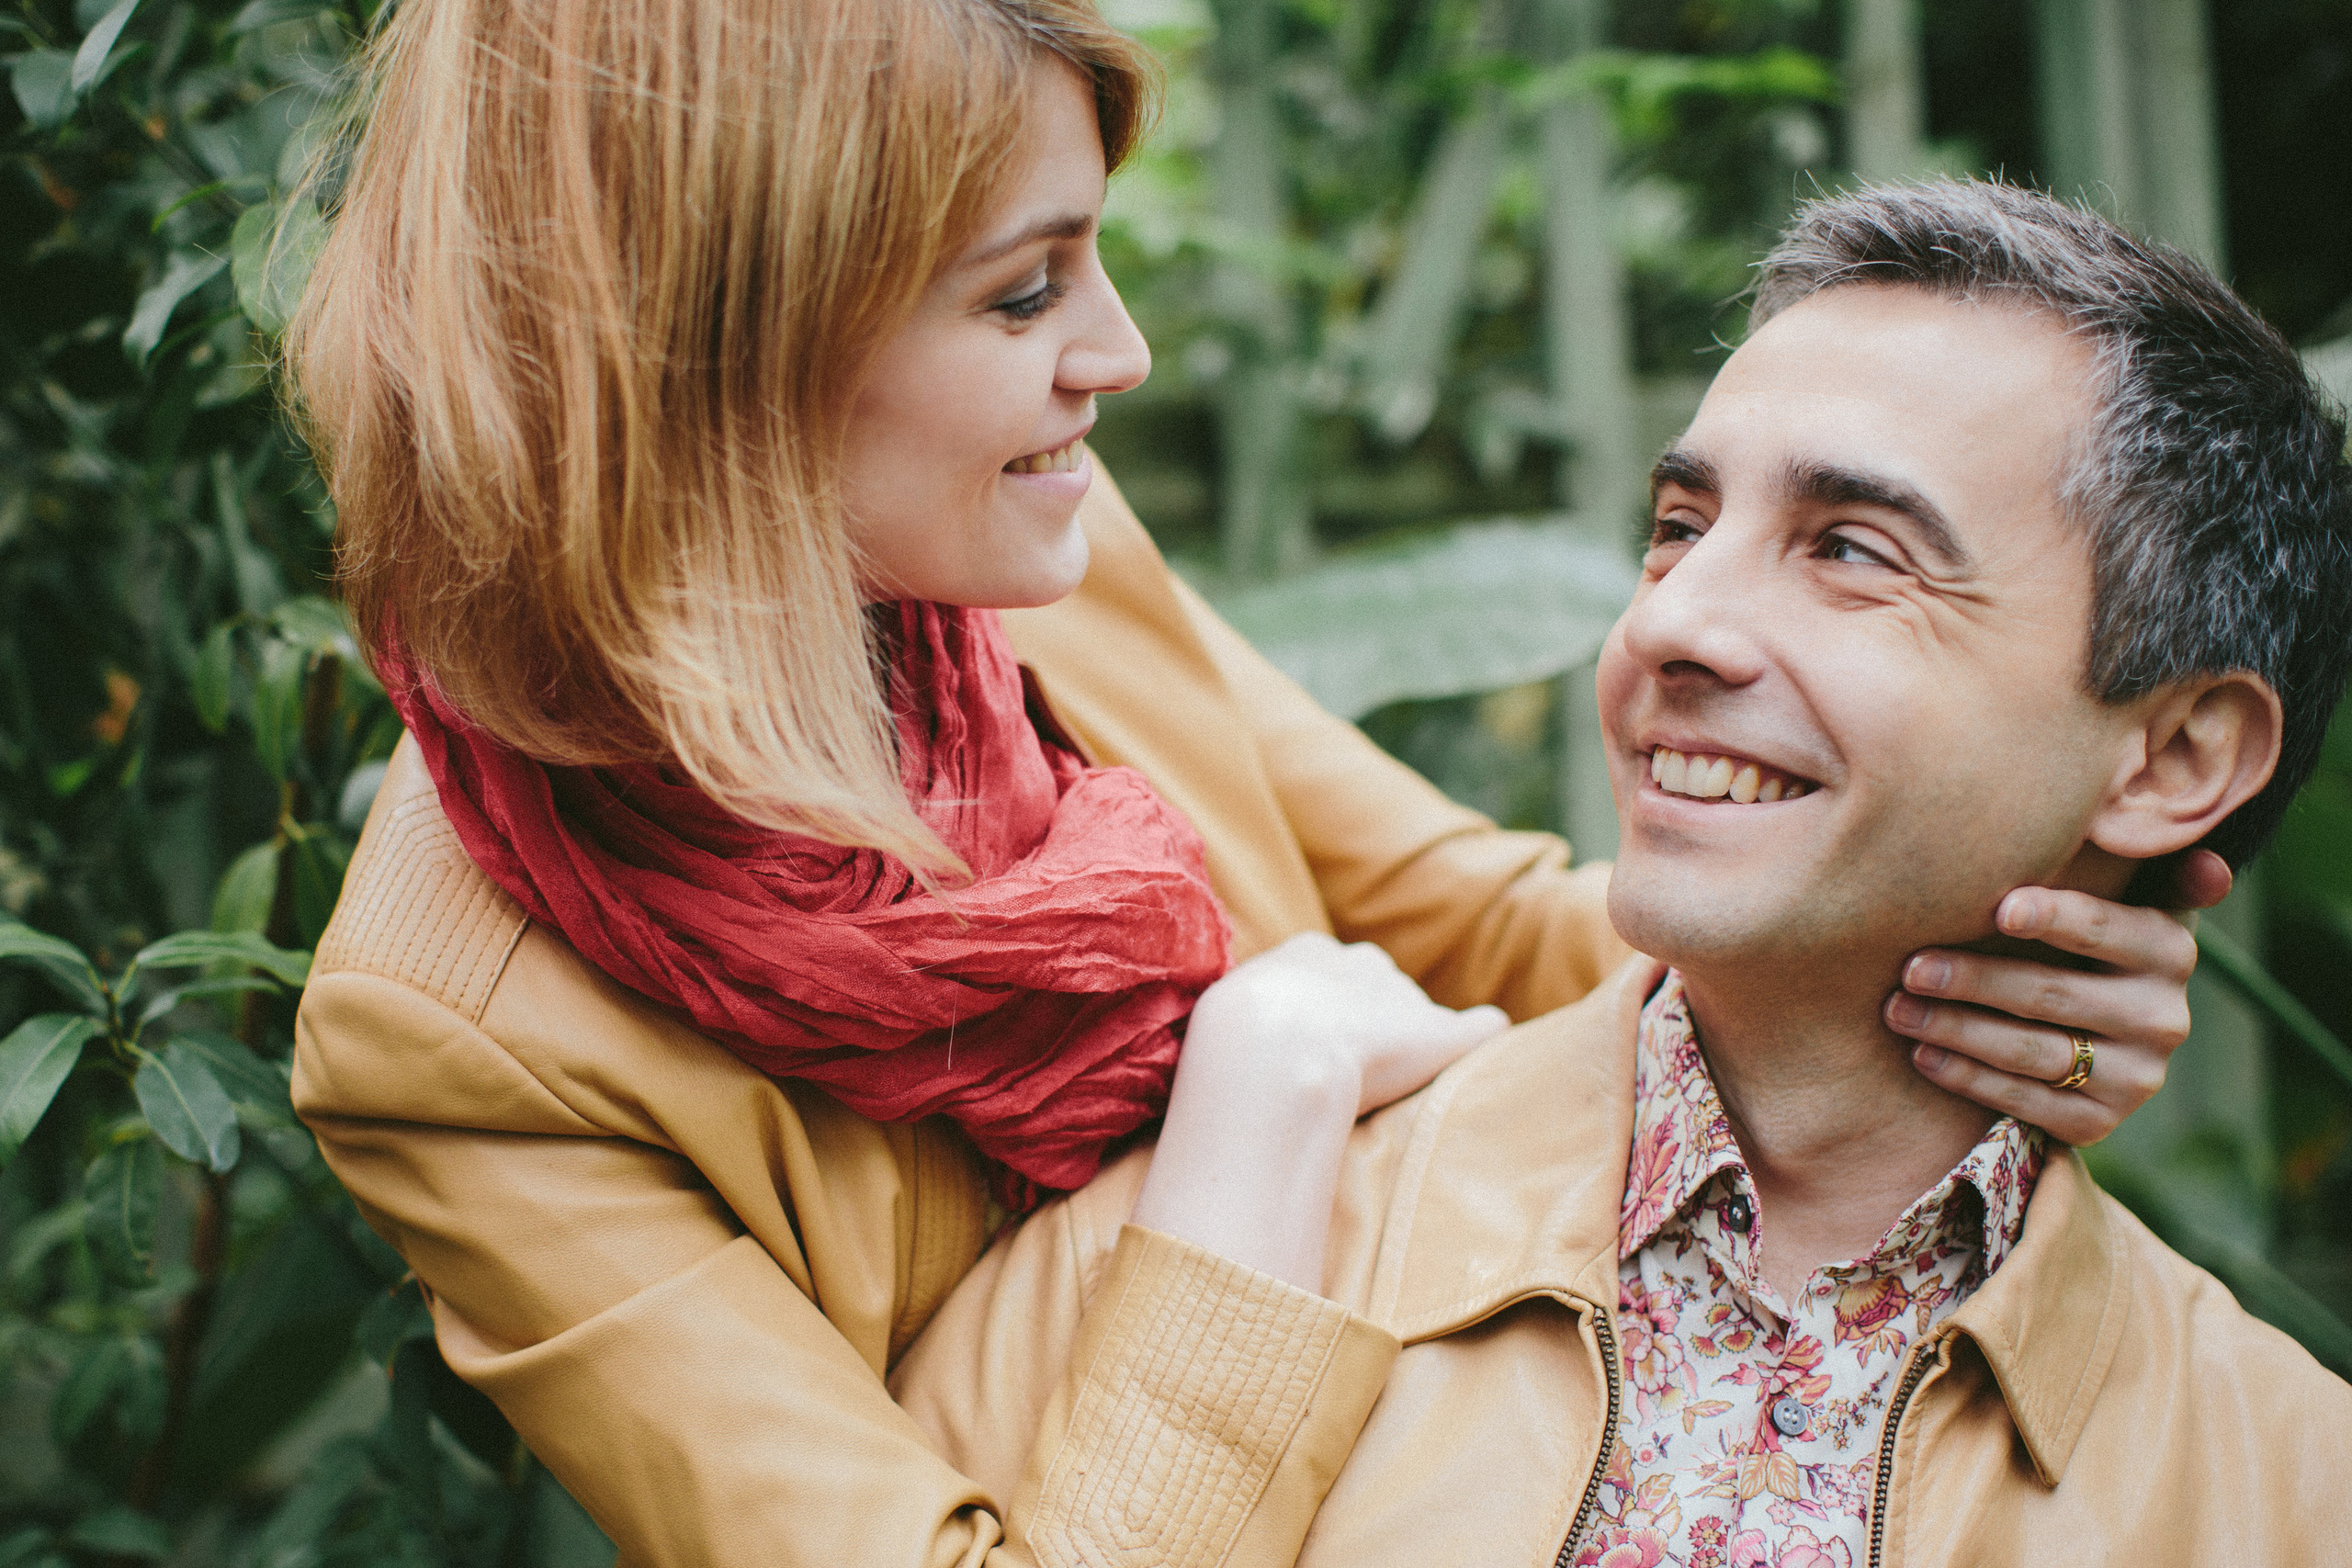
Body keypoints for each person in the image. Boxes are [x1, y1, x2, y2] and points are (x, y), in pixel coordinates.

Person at [286, 3, 2221, 1562]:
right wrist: (1256, 1104)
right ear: (719, 357)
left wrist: (1966, 966)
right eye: (1023, 294)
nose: (1113, 355)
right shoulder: (459, 1034)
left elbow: (1485, 920)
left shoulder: (990, 557)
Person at [890, 178, 2352, 1568]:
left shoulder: (2295, 1485)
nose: (1672, 622)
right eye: (1678, 528)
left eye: (1851, 550)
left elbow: (1467, 895)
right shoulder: (1178, 1257)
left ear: (2174, 760)